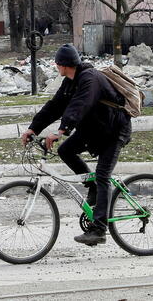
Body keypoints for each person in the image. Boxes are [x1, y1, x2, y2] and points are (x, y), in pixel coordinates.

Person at [20, 43, 131, 246]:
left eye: (57, 64)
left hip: (114, 131)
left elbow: (80, 104)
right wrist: (33, 129)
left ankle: (99, 230)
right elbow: (54, 106)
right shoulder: (70, 82)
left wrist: (62, 131)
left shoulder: (90, 78)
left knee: (103, 174)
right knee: (66, 150)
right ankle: (93, 187)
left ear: (63, 65)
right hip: (95, 131)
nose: (56, 67)